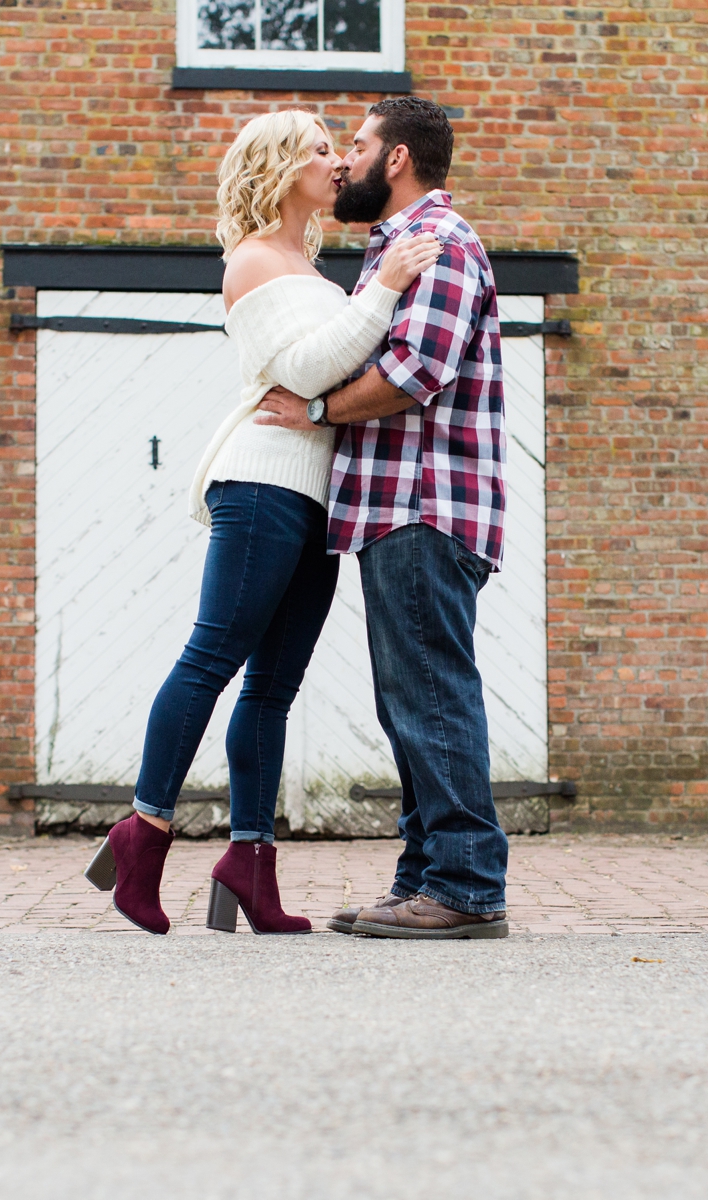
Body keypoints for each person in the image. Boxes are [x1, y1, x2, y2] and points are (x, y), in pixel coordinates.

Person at [83, 109, 442, 935]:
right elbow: (314, 367)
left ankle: (249, 862)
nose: (336, 162)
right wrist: (387, 287)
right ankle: (144, 833)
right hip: (261, 484)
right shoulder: (250, 261)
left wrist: (371, 298)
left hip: (315, 494)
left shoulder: (309, 265)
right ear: (282, 169)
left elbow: (335, 376)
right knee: (211, 657)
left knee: (273, 689)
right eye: (321, 151)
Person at [255, 96, 511, 939]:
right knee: (410, 701)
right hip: (396, 509)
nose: (344, 162)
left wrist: (317, 410)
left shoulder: (438, 244)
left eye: (356, 146)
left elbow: (413, 373)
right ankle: (423, 881)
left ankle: (468, 888)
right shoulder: (394, 251)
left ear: (395, 159)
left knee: (432, 696)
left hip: (424, 506)